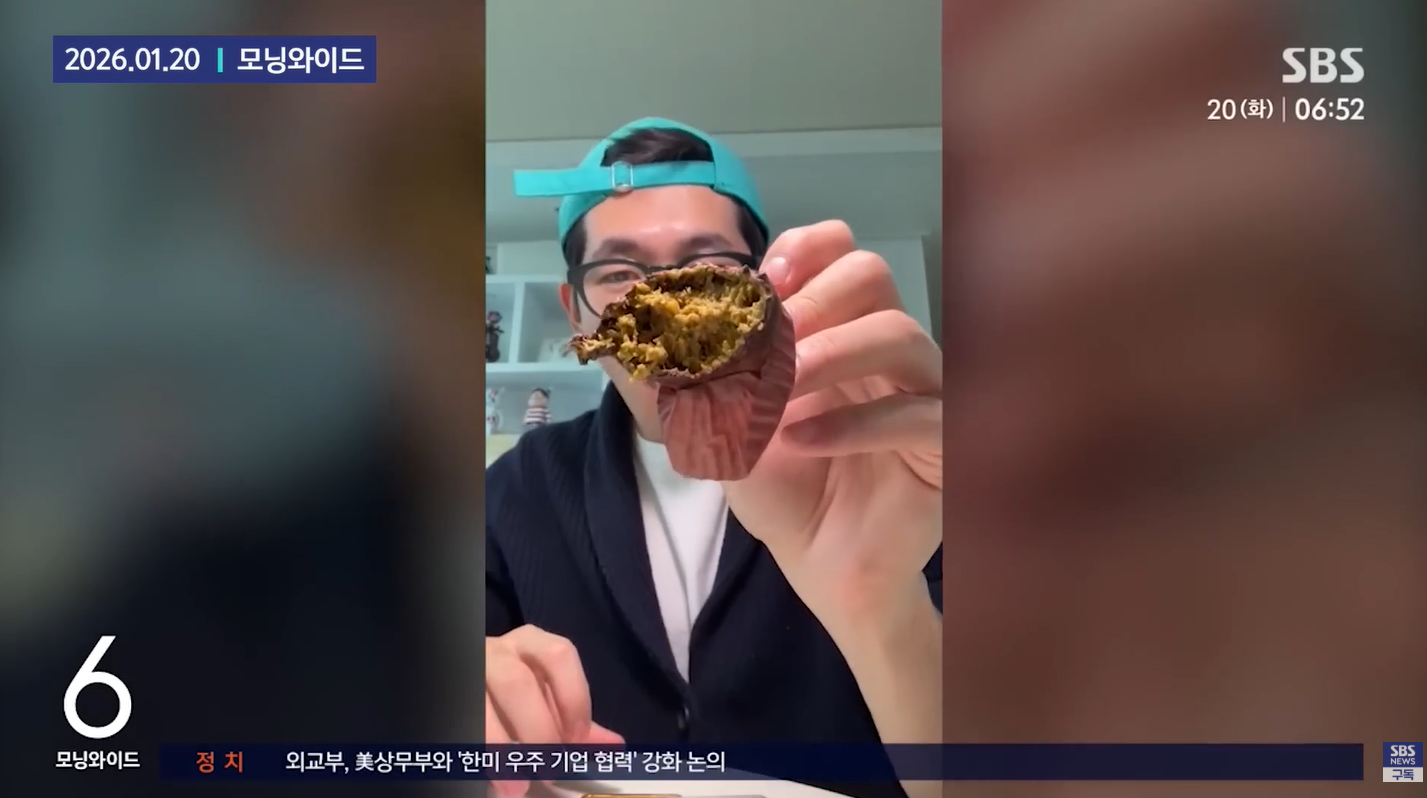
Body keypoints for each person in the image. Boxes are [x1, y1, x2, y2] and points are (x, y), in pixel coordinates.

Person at [485, 118, 945, 798]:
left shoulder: (884, 463)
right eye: (618, 272)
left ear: (766, 291)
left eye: (709, 268)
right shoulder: (513, 493)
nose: (665, 300)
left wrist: (881, 603)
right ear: (575, 313)